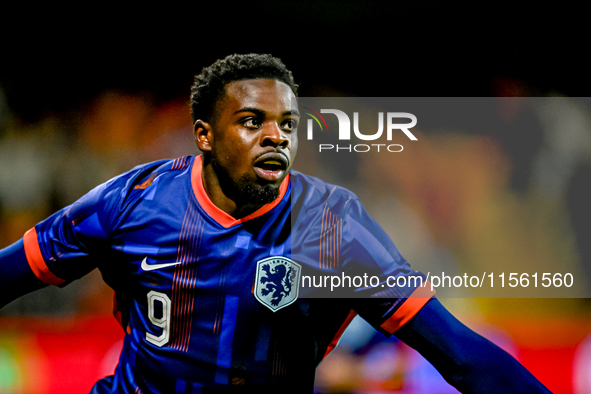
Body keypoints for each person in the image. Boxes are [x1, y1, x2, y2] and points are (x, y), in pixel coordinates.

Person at [0, 54, 551, 393]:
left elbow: (460, 355)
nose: (275, 137)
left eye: (286, 124)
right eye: (251, 121)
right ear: (204, 136)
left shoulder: (335, 228)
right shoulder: (131, 203)